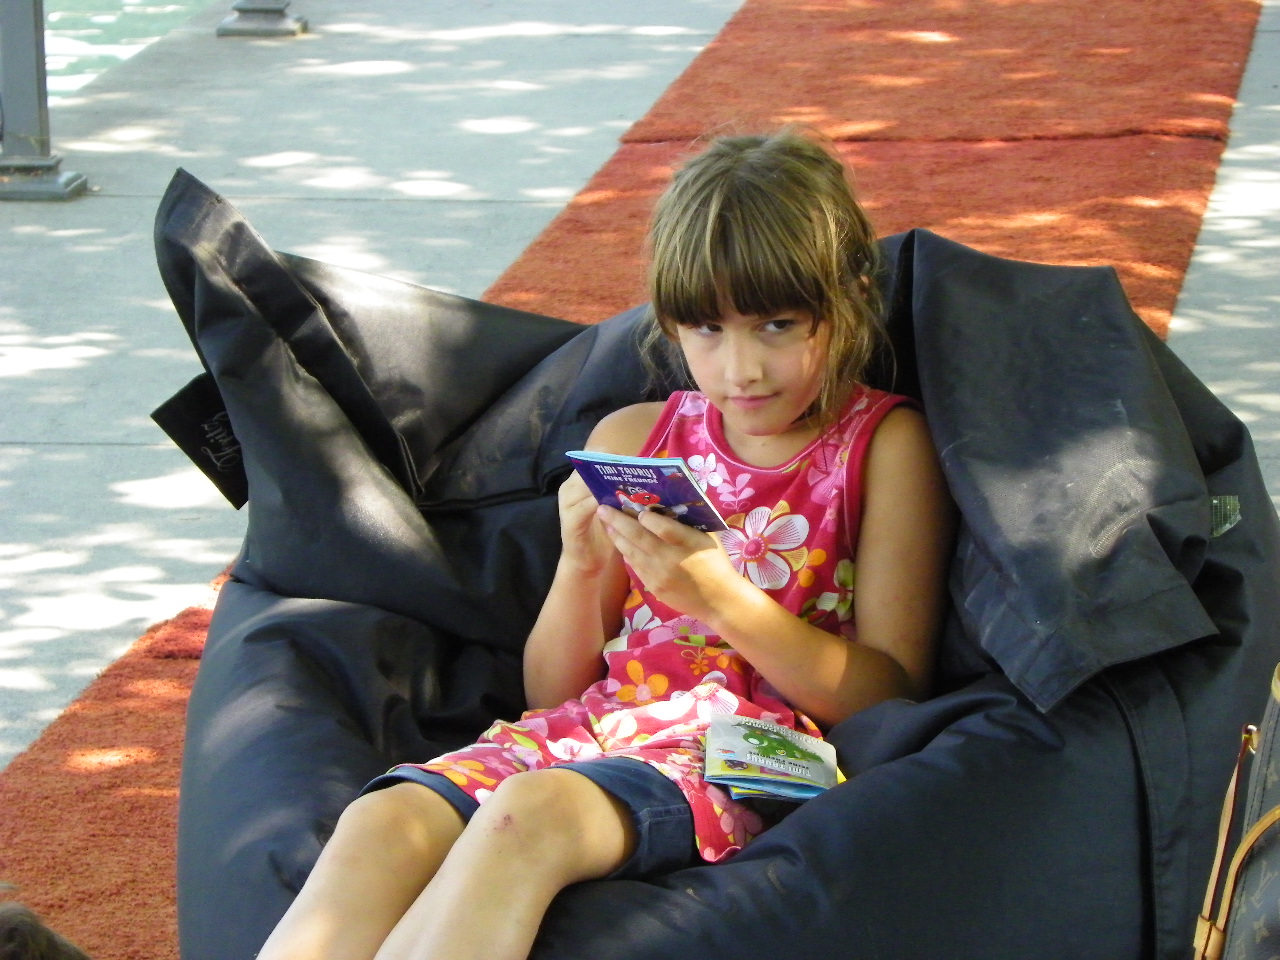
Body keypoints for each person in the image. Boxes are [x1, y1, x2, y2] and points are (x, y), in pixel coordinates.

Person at [255, 128, 955, 960]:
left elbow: (888, 693)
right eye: (707, 329)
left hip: (754, 754)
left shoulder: (882, 446)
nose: (742, 369)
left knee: (527, 817)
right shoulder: (634, 439)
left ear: (850, 300)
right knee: (382, 820)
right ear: (670, 325)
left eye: (778, 325)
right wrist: (582, 566)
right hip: (598, 730)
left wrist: (722, 601)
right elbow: (554, 693)